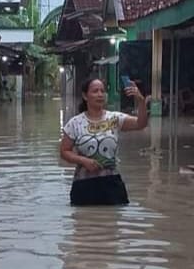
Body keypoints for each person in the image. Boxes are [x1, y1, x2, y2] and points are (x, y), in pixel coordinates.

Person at [60, 77, 149, 206]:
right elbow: (64, 151)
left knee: (113, 217)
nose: (100, 94)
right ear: (85, 96)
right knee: (84, 218)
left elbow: (141, 124)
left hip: (112, 184)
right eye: (95, 91)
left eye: (102, 91)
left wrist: (141, 101)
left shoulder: (114, 118)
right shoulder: (75, 123)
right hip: (83, 186)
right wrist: (83, 160)